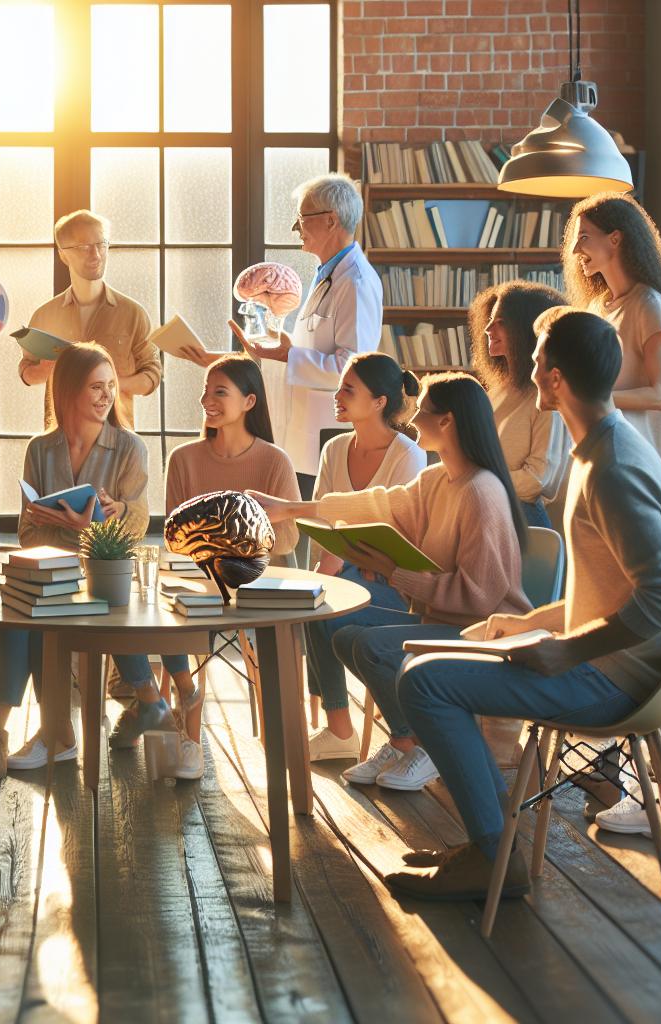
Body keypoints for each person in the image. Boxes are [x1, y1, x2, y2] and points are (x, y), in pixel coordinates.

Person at [380, 309, 661, 902]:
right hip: (614, 664)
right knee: (421, 668)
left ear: (553, 380)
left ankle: (494, 856)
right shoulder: (604, 447)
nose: (525, 367)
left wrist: (567, 650)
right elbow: (611, 590)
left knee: (423, 684)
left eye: (535, 360)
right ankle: (486, 844)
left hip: (619, 679)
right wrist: (527, 623)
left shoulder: (612, 469)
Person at [251, 373, 532, 777]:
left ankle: (427, 745)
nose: (414, 419)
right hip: (441, 620)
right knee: (346, 635)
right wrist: (289, 509)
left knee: (370, 645)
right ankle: (407, 740)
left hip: (480, 630)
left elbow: (481, 597)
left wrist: (393, 572)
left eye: (425, 411)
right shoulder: (438, 479)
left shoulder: (480, 490)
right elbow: (377, 504)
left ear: (448, 421)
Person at [0, 341, 152, 781]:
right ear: (68, 390)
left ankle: (56, 733)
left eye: (110, 386)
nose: (106, 395)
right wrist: (66, 525)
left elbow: (138, 523)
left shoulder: (128, 446)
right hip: (51, 574)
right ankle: (1, 731)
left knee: (36, 608)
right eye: (95, 386)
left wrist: (94, 522)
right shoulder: (40, 449)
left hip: (104, 576)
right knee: (22, 604)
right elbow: (29, 532)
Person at [141, 355, 301, 778]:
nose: (207, 400)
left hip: (255, 586)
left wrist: (220, 543)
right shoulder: (184, 459)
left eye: (220, 392)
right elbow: (176, 539)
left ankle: (278, 747)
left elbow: (286, 540)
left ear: (250, 401)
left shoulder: (274, 462)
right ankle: (190, 738)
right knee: (165, 611)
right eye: (205, 390)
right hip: (197, 583)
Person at [297, 352, 425, 743]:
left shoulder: (409, 455)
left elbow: (403, 530)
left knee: (326, 610)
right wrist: (332, 559)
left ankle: (377, 734)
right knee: (309, 605)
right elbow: (321, 518)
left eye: (348, 389)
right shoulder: (334, 449)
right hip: (344, 569)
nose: (337, 394)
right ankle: (339, 728)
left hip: (394, 583)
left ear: (379, 402)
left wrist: (343, 557)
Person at [232, 173, 384, 496]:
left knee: (317, 534)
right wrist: (282, 345)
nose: (295, 227)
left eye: (302, 218)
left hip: (328, 436)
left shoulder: (355, 283)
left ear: (331, 221)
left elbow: (352, 369)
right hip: (305, 436)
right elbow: (314, 347)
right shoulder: (327, 274)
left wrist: (289, 355)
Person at [564, 192, 661, 471]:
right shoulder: (597, 308)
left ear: (615, 238)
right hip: (603, 454)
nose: (575, 249)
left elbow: (660, 396)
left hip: (638, 464)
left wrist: (587, 399)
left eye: (584, 236)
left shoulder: (649, 304)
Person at [20, 209, 161, 430]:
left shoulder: (133, 313)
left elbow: (153, 375)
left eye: (101, 244)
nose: (96, 255)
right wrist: (47, 370)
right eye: (84, 247)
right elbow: (27, 371)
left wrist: (108, 384)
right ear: (63, 254)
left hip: (117, 439)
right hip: (61, 437)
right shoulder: (44, 315)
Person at [469, 280, 570, 527]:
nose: (488, 329)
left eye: (501, 323)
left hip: (522, 520)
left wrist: (478, 479)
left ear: (526, 329)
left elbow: (538, 480)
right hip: (488, 507)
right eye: (490, 320)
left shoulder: (548, 399)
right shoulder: (500, 389)